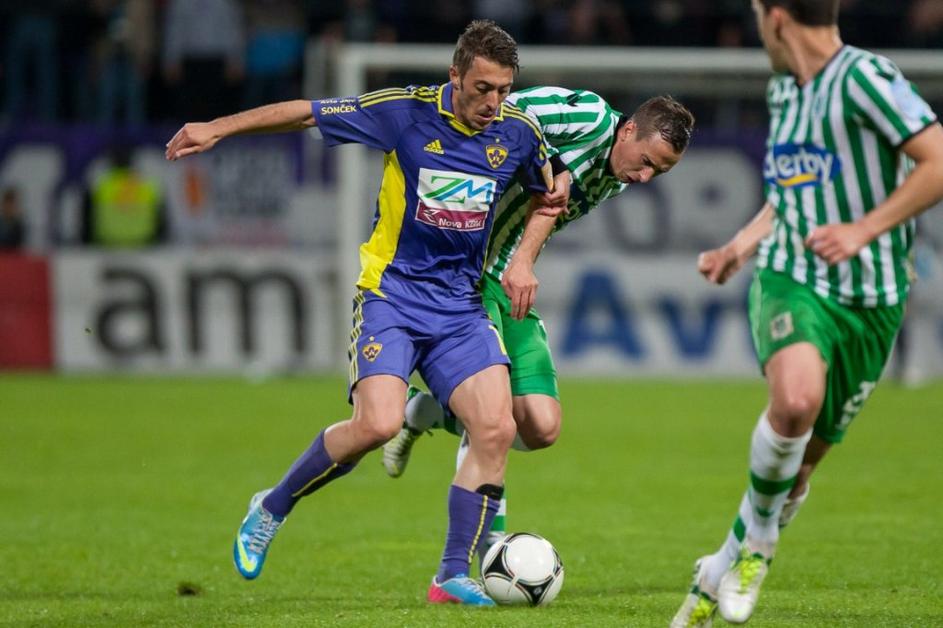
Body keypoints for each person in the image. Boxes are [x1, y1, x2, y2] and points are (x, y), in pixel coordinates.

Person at [165, 20, 555, 606]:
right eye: (482, 88)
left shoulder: (519, 133)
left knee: (496, 428)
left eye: (503, 90)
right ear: (455, 76)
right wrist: (217, 127)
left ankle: (450, 576)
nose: (493, 103)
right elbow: (307, 113)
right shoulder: (404, 113)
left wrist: (524, 258)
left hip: (461, 308)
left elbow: (552, 189)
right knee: (376, 425)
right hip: (392, 298)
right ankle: (271, 506)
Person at [670, 1, 943, 626]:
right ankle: (759, 547)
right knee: (795, 402)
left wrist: (863, 229)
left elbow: (937, 160)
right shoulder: (785, 91)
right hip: (793, 276)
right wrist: (741, 245)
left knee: (797, 470)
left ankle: (722, 563)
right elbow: (793, 194)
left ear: (777, 18)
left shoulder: (865, 78)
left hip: (872, 300)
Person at [381, 88, 695, 555]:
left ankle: (421, 412)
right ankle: (485, 551)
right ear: (629, 130)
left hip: (508, 279)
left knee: (542, 427)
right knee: (492, 418)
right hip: (462, 273)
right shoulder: (589, 116)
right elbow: (511, 112)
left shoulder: (617, 176)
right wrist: (558, 166)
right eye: (647, 161)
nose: (646, 177)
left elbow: (543, 207)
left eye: (659, 172)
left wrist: (523, 258)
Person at [81, 145, 166, 247]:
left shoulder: (101, 184)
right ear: (132, 162)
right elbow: (161, 218)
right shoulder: (147, 185)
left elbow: (87, 217)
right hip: (143, 240)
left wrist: (86, 240)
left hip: (107, 241)